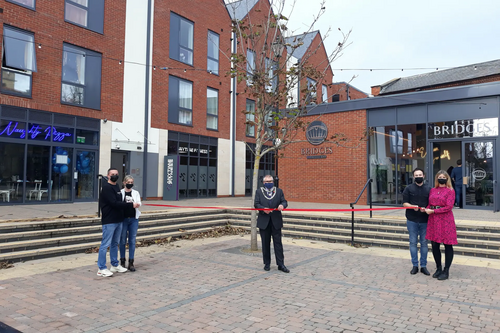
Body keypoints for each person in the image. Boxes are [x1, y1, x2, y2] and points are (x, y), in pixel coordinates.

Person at [97, 168, 139, 277]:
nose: (115, 176)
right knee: (105, 244)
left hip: (119, 220)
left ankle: (114, 264)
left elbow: (120, 202)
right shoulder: (106, 188)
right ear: (108, 175)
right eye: (112, 174)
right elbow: (114, 203)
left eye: (116, 174)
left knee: (115, 243)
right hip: (109, 220)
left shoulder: (116, 187)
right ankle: (101, 267)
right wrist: (130, 205)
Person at [424, 170, 458, 281]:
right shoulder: (433, 190)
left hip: (445, 219)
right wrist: (427, 208)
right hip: (433, 219)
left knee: (447, 244)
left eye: (443, 177)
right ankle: (438, 268)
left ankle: (446, 270)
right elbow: (430, 202)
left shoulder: (450, 191)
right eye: (439, 176)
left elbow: (449, 206)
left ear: (447, 178)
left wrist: (434, 211)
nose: (441, 178)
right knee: (434, 244)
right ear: (437, 178)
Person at [254, 175, 289, 273]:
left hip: (276, 221)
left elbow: (284, 201)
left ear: (273, 181)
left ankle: (281, 264)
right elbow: (256, 204)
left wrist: (282, 205)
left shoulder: (279, 191)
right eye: (266, 181)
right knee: (265, 243)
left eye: (270, 181)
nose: (268, 183)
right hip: (264, 221)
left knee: (278, 243)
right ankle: (267, 263)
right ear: (263, 182)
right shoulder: (259, 192)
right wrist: (263, 209)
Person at [402, 168, 431, 275]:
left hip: (425, 220)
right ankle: (415, 265)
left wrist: (427, 209)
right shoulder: (408, 188)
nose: (418, 176)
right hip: (412, 219)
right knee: (413, 243)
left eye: (420, 174)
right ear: (413, 177)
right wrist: (412, 206)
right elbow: (404, 203)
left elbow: (431, 203)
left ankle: (423, 266)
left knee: (424, 243)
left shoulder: (429, 189)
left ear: (424, 176)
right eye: (416, 175)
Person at [120, 175, 142, 272]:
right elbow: (119, 204)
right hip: (124, 219)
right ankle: (122, 260)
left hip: (133, 219)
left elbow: (139, 203)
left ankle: (131, 262)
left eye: (131, 182)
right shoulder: (120, 193)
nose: (130, 184)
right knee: (122, 240)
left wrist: (136, 204)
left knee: (132, 240)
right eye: (128, 182)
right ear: (124, 182)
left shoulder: (136, 193)